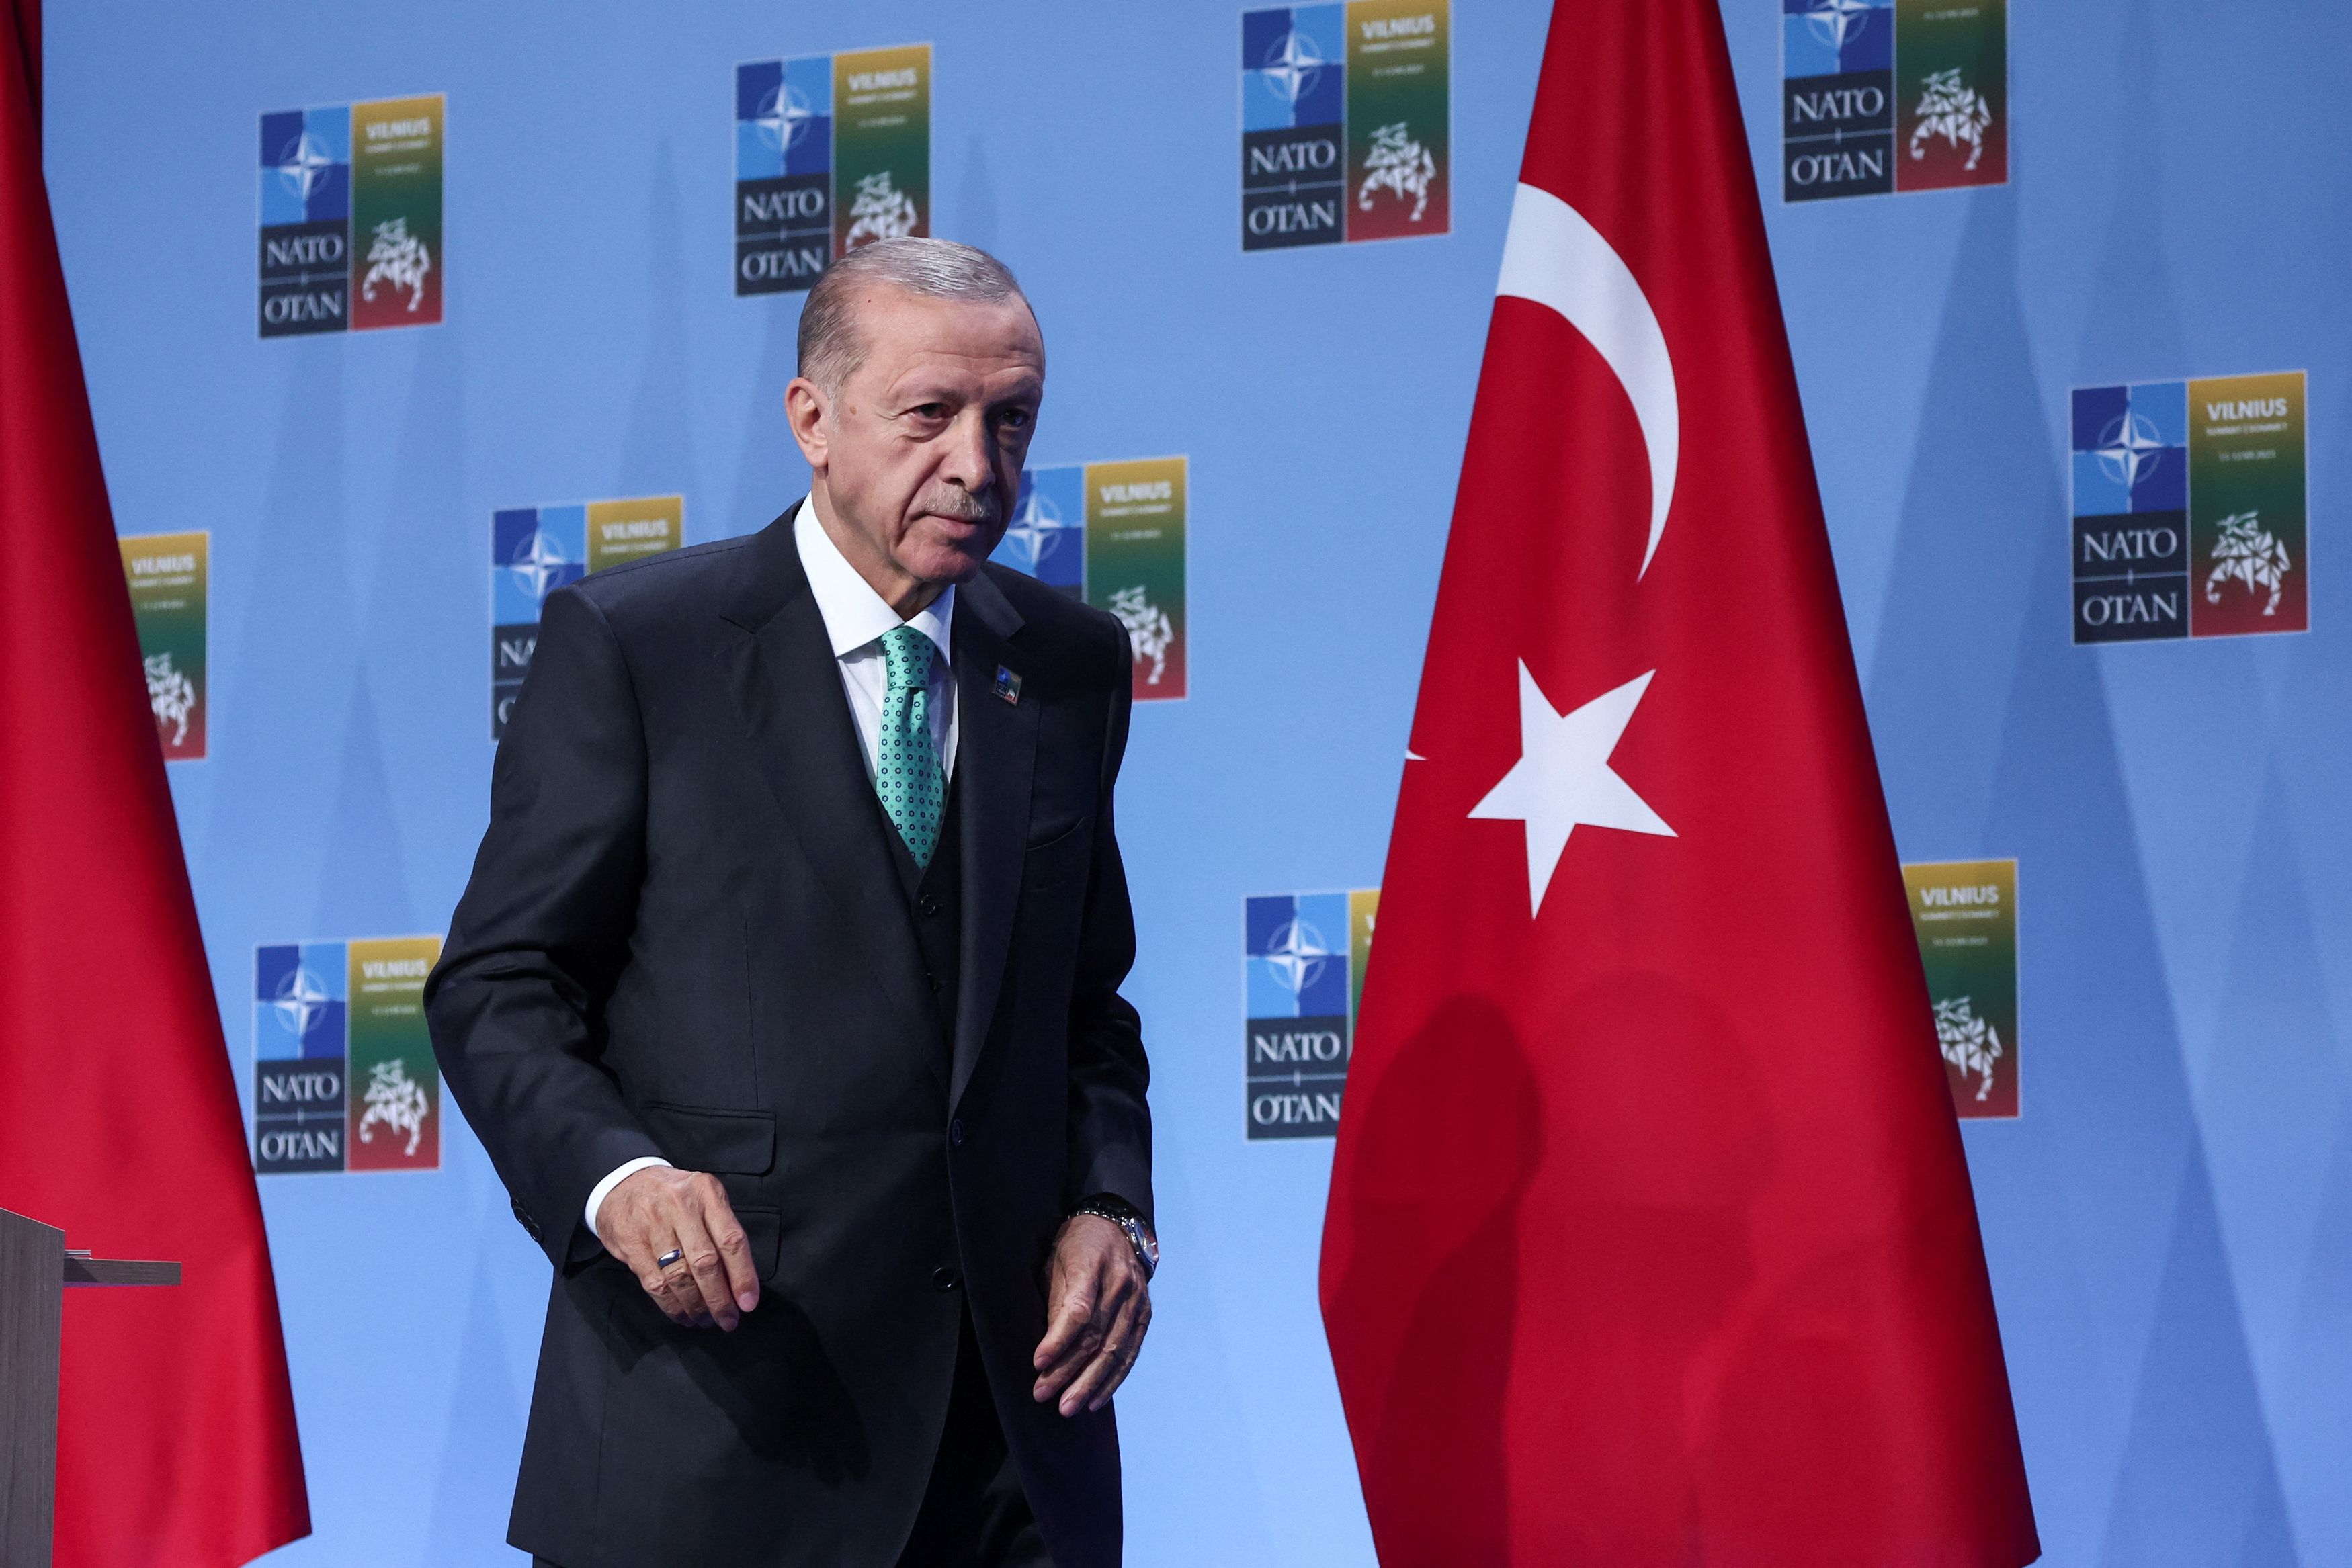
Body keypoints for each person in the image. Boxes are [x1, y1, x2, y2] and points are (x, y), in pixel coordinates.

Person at [426, 238, 1157, 1568]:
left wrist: (1111, 1208)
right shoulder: (639, 648)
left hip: (1011, 1452)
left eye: (1012, 420)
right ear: (812, 420)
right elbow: (500, 987)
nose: (979, 466)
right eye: (930, 415)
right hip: (718, 1431)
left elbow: (1085, 1007)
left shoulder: (1068, 664)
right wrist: (617, 1180)